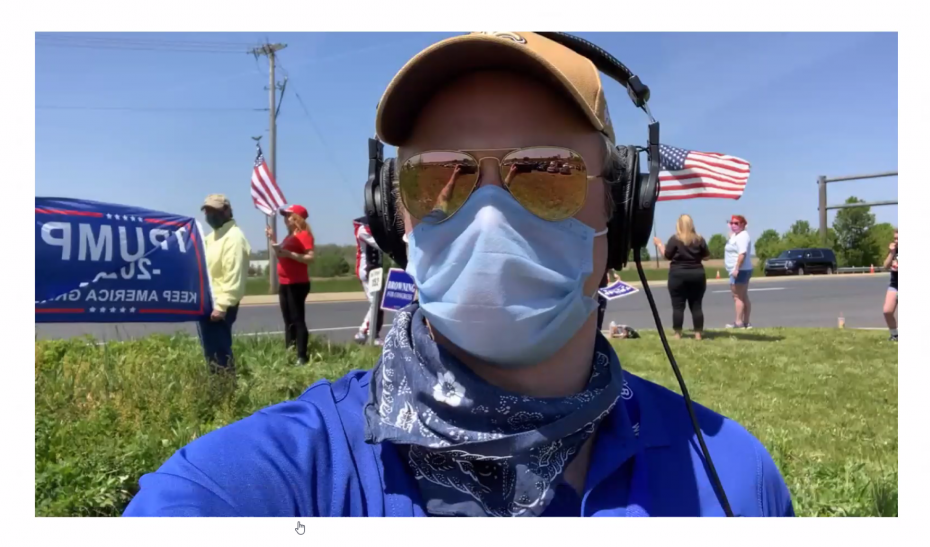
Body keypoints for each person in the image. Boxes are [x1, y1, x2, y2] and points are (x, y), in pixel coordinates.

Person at [125, 32, 792, 517]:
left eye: (545, 169)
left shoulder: (731, 477)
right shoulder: (275, 482)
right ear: (395, 219)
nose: (487, 213)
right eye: (441, 176)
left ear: (622, 213)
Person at [199, 194, 251, 373]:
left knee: (219, 352)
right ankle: (218, 389)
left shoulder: (234, 238)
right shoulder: (212, 237)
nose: (210, 215)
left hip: (220, 306)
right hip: (208, 302)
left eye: (214, 211)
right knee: (210, 351)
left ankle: (225, 391)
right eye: (207, 211)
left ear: (227, 211)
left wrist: (221, 306)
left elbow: (234, 275)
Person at [266, 204, 315, 365]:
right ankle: (290, 352)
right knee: (288, 320)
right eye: (284, 216)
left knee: (297, 319)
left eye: (288, 215)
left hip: (297, 283)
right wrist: (273, 240)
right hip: (285, 282)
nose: (285, 219)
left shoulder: (304, 235)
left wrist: (291, 254)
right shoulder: (289, 237)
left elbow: (310, 257)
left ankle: (302, 356)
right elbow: (281, 255)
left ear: (297, 217)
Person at [654, 214, 709, 340]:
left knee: (678, 306)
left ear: (678, 225)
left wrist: (659, 244)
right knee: (696, 305)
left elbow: (667, 256)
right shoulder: (699, 239)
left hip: (677, 274)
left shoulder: (674, 239)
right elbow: (706, 256)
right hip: (697, 274)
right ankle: (698, 334)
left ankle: (678, 334)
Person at [353, 216, 385, 345]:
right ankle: (363, 331)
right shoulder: (363, 230)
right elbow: (381, 245)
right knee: (375, 303)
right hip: (367, 269)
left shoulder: (370, 230)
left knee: (379, 303)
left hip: (375, 270)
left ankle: (374, 334)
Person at [724, 215, 753, 329]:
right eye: (731, 223)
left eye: (736, 223)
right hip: (742, 269)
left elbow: (742, 254)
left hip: (740, 270)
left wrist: (736, 268)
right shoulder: (738, 236)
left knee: (737, 297)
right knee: (743, 296)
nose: (733, 225)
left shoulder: (742, 237)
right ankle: (746, 322)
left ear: (743, 224)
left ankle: (739, 322)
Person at [882, 229, 898, 342]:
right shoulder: (895, 251)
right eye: (895, 238)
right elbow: (885, 266)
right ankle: (894, 335)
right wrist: (892, 253)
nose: (896, 241)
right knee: (887, 311)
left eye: (898, 238)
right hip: (895, 284)